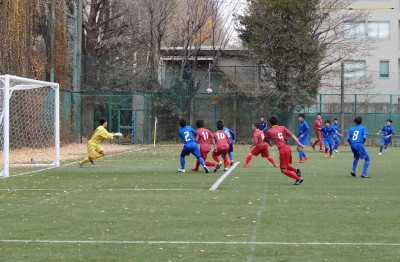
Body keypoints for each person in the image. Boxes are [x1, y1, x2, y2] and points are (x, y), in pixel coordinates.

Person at [264, 115, 304, 185]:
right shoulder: (282, 127)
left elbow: (265, 140)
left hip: (282, 150)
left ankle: (299, 179)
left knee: (283, 169)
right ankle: (296, 170)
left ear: (270, 123)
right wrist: (299, 143)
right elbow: (291, 135)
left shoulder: (269, 131)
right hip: (287, 148)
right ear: (277, 121)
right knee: (285, 164)